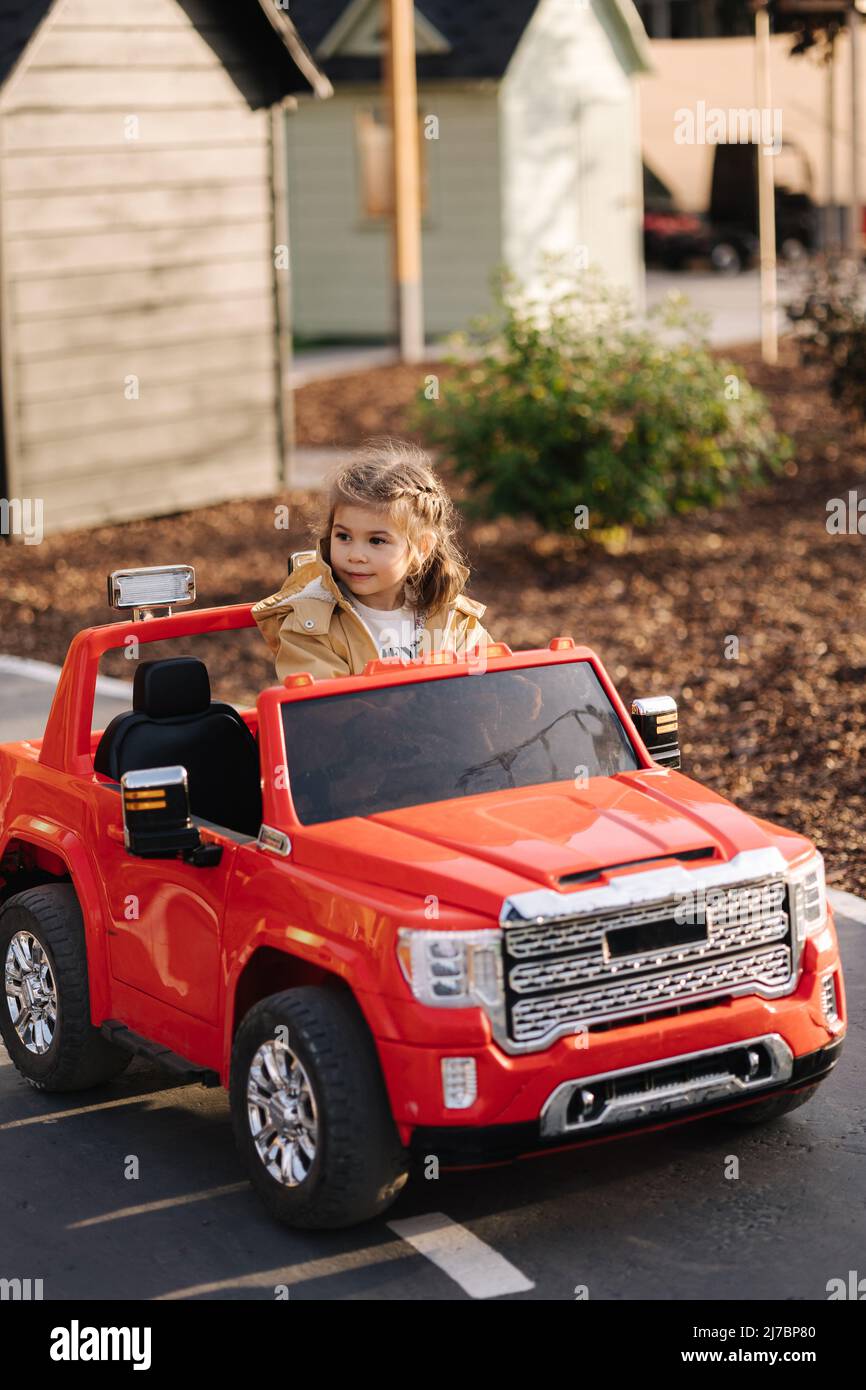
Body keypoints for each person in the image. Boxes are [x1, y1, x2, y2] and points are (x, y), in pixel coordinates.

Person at [251, 438, 495, 683]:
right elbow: (322, 709)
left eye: (376, 541)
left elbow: (490, 682)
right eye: (344, 536)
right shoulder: (310, 622)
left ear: (422, 548)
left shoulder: (451, 615)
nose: (355, 555)